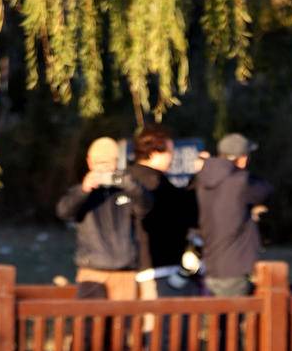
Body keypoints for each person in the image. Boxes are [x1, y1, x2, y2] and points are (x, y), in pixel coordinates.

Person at [56, 136, 145, 298]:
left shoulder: (126, 190)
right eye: (99, 163)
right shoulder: (81, 193)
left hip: (124, 272)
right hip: (92, 272)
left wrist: (127, 183)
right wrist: (83, 190)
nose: (103, 169)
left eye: (108, 163)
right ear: (89, 162)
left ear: (117, 162)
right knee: (92, 322)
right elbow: (63, 211)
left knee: (124, 323)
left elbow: (146, 205)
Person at [195, 133, 272, 296]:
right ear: (242, 158)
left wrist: (208, 163)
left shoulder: (202, 179)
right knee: (234, 319)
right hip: (235, 267)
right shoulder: (241, 181)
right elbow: (265, 190)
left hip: (210, 265)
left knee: (213, 320)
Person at [130, 124, 199, 298]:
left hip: (132, 266)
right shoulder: (156, 183)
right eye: (169, 152)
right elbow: (187, 212)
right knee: (164, 323)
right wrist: (198, 180)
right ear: (153, 153)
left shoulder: (127, 178)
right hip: (160, 267)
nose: (172, 157)